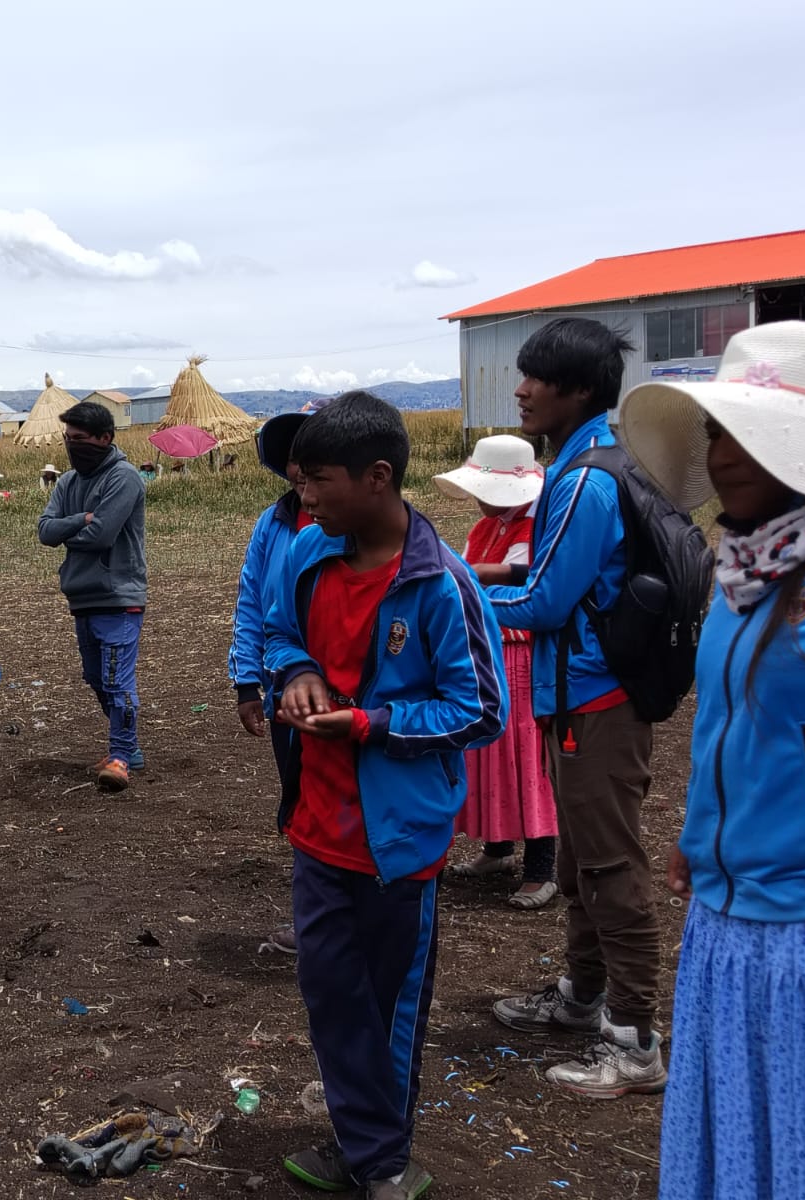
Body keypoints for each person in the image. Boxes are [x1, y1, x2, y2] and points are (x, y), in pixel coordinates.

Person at [617, 321, 805, 1199]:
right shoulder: (745, 572)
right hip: (731, 929)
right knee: (746, 1157)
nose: (723, 454)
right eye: (716, 432)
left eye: (749, 433)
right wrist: (704, 833)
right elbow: (745, 728)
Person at [264, 392, 506, 1197]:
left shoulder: (442, 586)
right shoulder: (309, 555)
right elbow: (277, 632)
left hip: (398, 841)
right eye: (299, 480)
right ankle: (365, 1146)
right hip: (318, 826)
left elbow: (481, 710)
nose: (304, 497)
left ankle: (385, 1161)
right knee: (331, 992)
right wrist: (296, 673)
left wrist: (370, 724)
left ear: (376, 477)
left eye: (317, 481)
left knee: (389, 1003)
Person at [482, 318, 667, 1099]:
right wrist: (490, 576)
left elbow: (547, 603)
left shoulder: (587, 480)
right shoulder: (587, 463)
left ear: (581, 390)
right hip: (578, 696)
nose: (521, 389)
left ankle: (634, 1040)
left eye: (537, 378)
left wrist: (452, 597)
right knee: (578, 860)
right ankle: (581, 997)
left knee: (611, 865)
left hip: (597, 699)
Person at [433, 435, 558, 910]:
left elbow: (528, 579)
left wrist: (482, 575)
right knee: (490, 753)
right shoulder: (487, 527)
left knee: (526, 756)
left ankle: (542, 867)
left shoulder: (539, 528)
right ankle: (499, 848)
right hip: (488, 651)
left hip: (520, 656)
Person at [228, 410, 312, 953]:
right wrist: (246, 682)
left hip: (350, 698)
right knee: (299, 800)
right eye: (295, 460)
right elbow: (254, 603)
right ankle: (314, 915)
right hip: (286, 691)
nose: (302, 471)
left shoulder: (361, 528)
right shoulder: (273, 523)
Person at [37, 400, 148, 792]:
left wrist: (69, 531)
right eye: (68, 438)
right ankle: (128, 746)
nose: (72, 445)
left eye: (80, 438)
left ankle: (121, 755)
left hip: (119, 595)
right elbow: (45, 531)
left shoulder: (124, 477)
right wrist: (80, 520)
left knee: (117, 680)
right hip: (82, 595)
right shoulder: (67, 482)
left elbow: (101, 535)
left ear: (105, 438)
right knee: (96, 677)